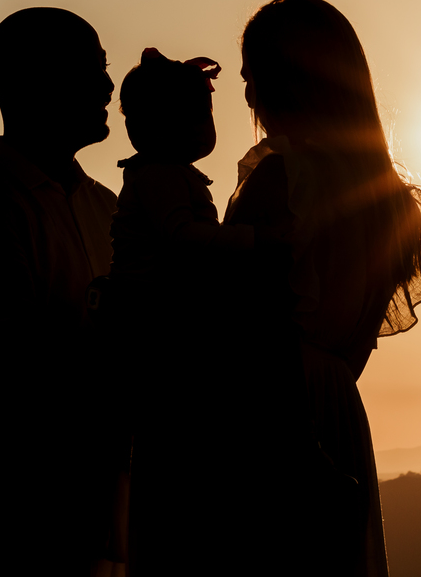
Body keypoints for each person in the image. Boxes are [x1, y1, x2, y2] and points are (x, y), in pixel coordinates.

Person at [215, 0, 421, 576]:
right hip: (339, 410)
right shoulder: (391, 199)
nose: (249, 96)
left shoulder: (281, 178)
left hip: (271, 409)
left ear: (285, 79)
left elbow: (244, 318)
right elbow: (359, 344)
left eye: (253, 77)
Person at [0, 8, 122, 576]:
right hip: (8, 529)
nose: (108, 86)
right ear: (33, 82)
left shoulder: (107, 207)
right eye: (91, 68)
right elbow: (4, 372)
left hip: (98, 520)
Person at [101, 48, 257, 574]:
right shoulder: (161, 176)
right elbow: (183, 238)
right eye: (200, 116)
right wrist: (253, 241)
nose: (207, 128)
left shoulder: (167, 173)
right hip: (152, 316)